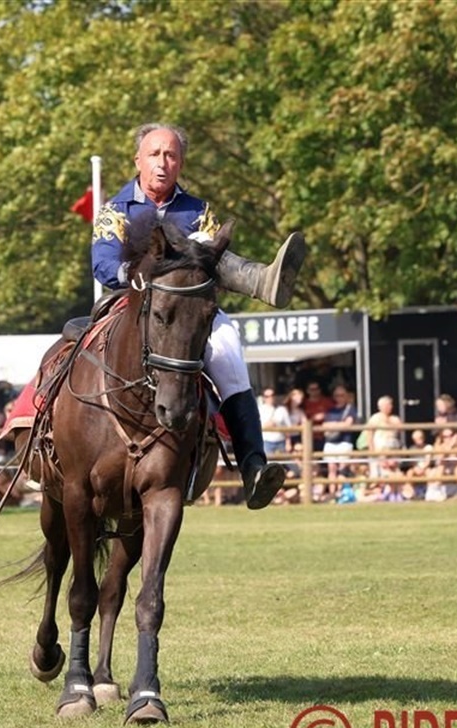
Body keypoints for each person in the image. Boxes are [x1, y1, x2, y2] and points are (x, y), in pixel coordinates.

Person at [89, 123, 306, 509]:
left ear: (181, 163)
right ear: (138, 160)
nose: (162, 163)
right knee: (73, 353)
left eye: (171, 155)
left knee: (228, 350)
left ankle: (253, 467)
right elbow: (103, 263)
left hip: (190, 312)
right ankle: (43, 433)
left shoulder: (199, 210)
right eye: (154, 154)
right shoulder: (114, 211)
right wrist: (139, 273)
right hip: (133, 305)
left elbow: (212, 264)